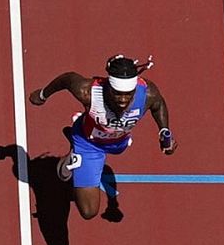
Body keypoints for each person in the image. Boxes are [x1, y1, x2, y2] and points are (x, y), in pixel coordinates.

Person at [29, 54, 175, 221]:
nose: (123, 100)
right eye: (117, 94)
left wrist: (164, 131)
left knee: (117, 146)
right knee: (88, 212)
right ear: (108, 87)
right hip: (89, 143)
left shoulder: (148, 93)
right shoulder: (88, 92)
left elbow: (158, 105)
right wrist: (42, 95)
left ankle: (81, 157)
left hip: (118, 142)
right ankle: (74, 154)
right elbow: (67, 79)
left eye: (128, 94)